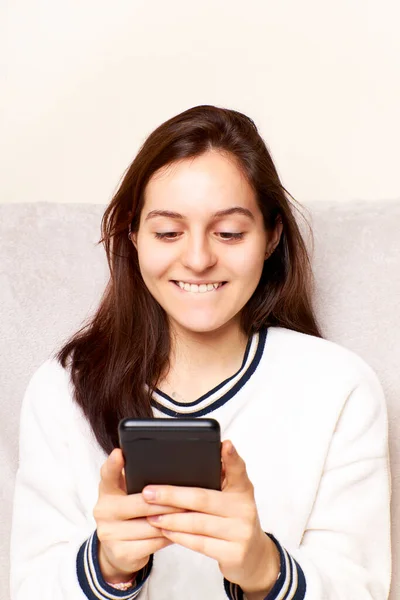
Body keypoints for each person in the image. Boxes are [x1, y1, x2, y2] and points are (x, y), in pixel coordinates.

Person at [10, 105, 392, 600]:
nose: (197, 258)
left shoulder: (339, 388)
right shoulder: (64, 387)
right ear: (133, 235)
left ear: (272, 236)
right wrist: (107, 566)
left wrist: (263, 568)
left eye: (229, 232)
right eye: (168, 232)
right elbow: (27, 588)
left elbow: (360, 587)